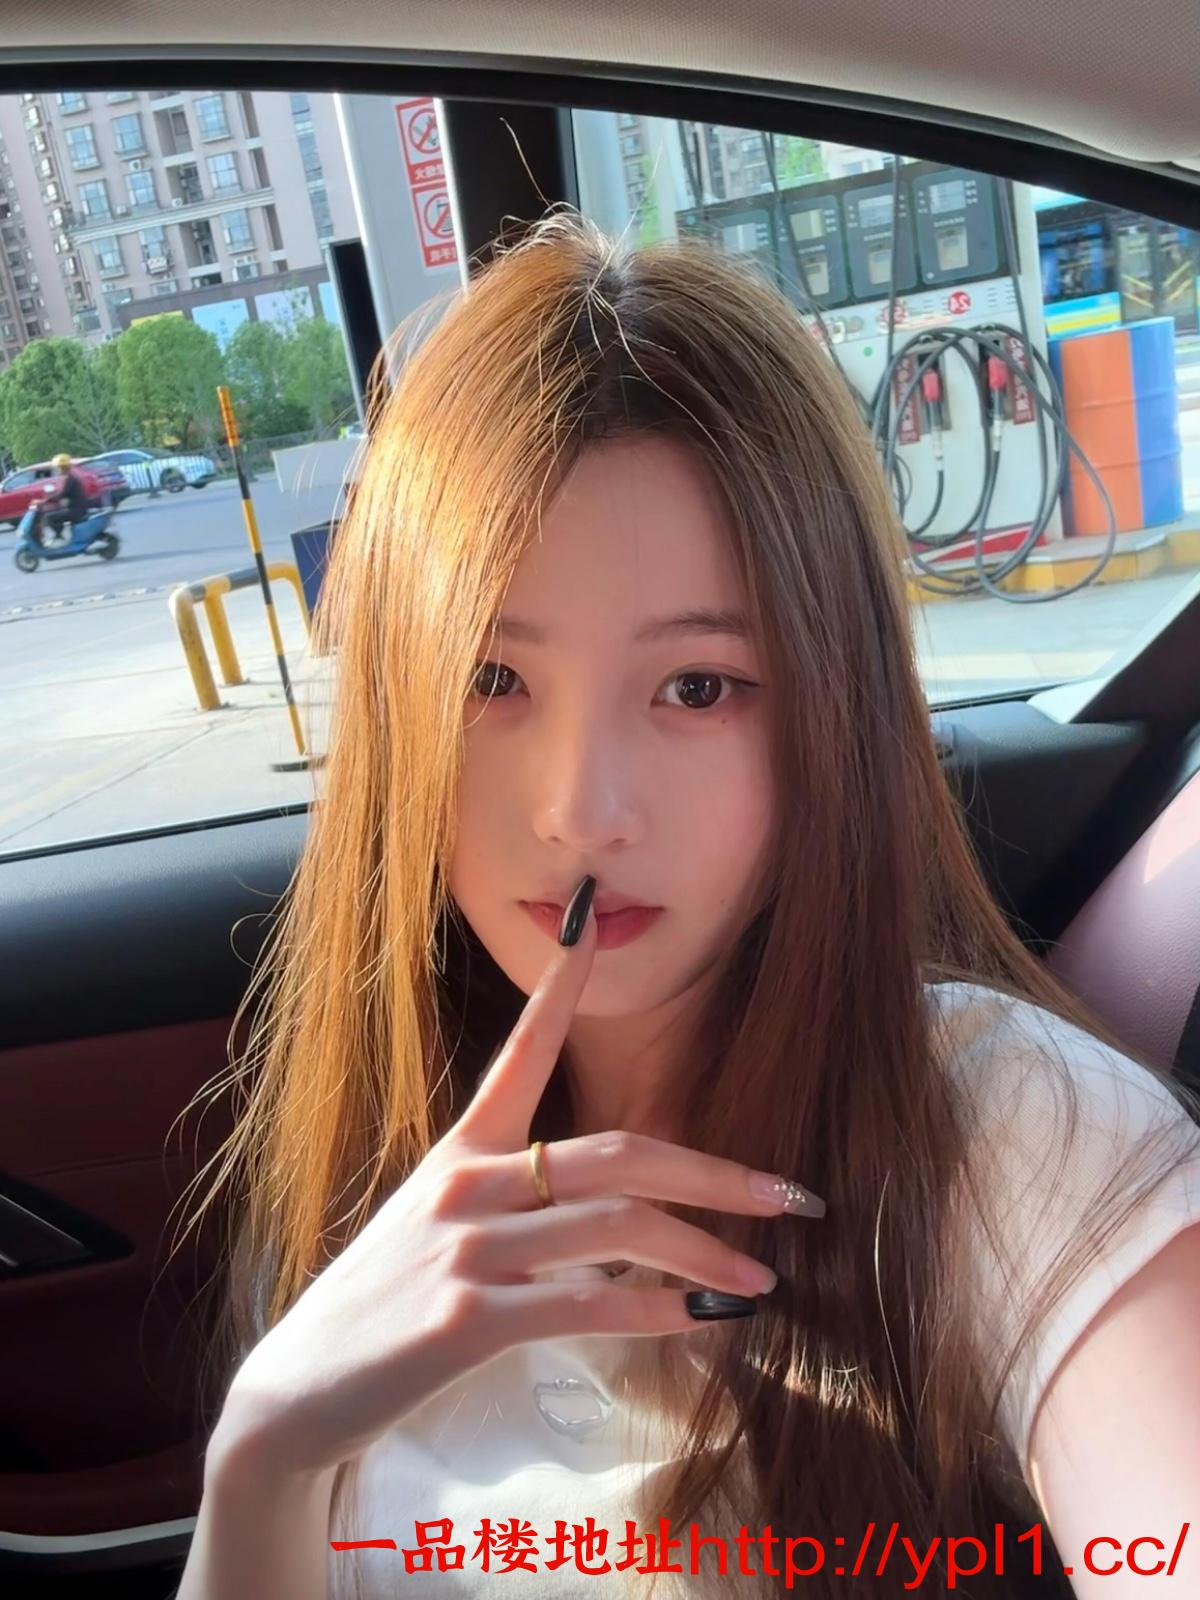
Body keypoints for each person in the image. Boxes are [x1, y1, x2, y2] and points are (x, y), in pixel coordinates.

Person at [176, 212, 1200, 1600]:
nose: (583, 810)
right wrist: (266, 1450)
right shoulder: (370, 1159)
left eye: (697, 688)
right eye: (491, 680)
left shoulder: (999, 1127)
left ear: (827, 715)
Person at [40, 451, 91, 543]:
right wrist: (51, 497)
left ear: (62, 467)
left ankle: (59, 537)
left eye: (57, 468)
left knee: (48, 517)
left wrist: (45, 500)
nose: (56, 470)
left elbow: (63, 494)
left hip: (76, 510)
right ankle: (59, 536)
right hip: (76, 508)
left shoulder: (69, 479)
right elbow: (62, 493)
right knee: (54, 514)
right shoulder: (68, 478)